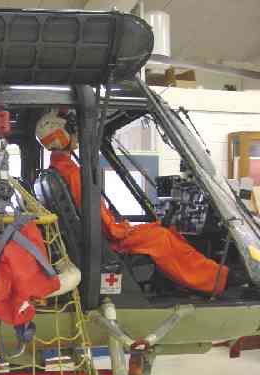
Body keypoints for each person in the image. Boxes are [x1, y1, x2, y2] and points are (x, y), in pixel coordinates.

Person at [35, 108, 229, 295]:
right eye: (72, 129)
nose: (77, 133)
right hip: (107, 242)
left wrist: (125, 227)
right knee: (163, 238)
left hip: (97, 239)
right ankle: (215, 281)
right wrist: (123, 230)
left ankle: (202, 278)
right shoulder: (73, 174)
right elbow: (103, 223)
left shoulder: (59, 170)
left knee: (161, 231)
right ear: (62, 135)